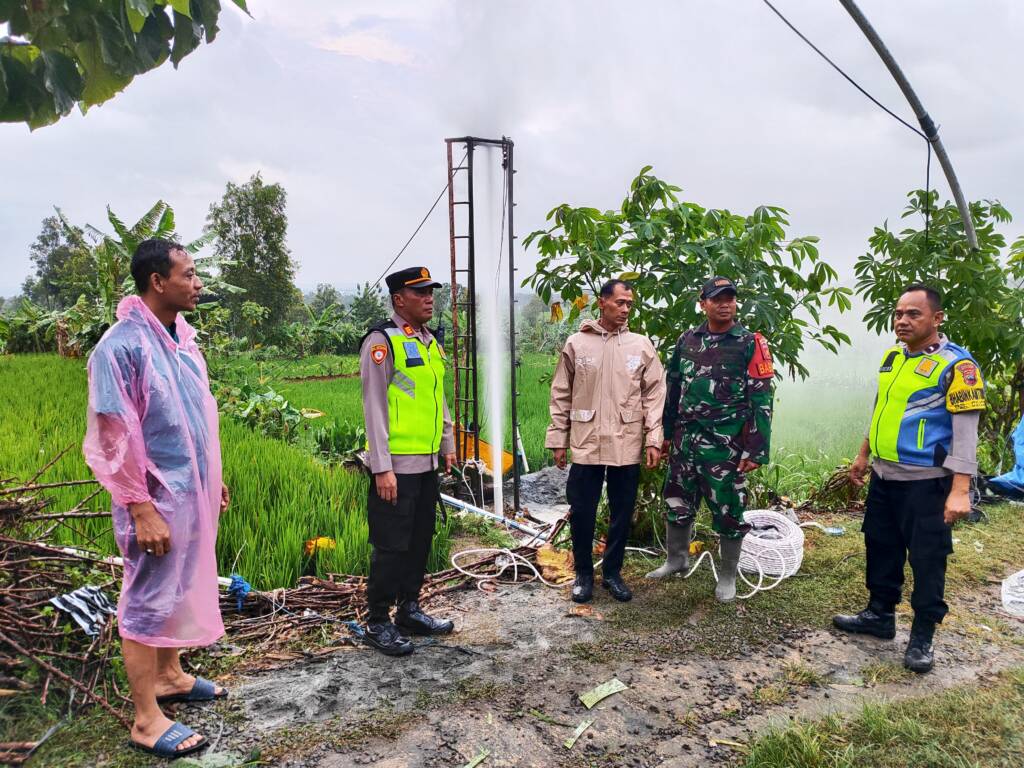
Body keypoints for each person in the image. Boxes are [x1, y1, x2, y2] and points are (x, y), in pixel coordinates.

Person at [84, 239, 229, 760]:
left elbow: (194, 418)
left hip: (190, 491)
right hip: (153, 498)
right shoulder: (120, 347)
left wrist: (214, 478)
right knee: (147, 597)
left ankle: (170, 676)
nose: (198, 284)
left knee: (179, 584)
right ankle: (146, 719)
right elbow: (113, 435)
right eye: (189, 275)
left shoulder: (181, 339)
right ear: (158, 282)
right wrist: (140, 506)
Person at [834, 284, 984, 673]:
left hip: (927, 482)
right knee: (880, 545)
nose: (902, 320)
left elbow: (966, 430)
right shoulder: (892, 358)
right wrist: (864, 453)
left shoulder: (958, 365)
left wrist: (960, 490)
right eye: (899, 313)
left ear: (937, 318)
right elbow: (882, 407)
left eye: (913, 314)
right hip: (886, 475)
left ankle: (923, 635)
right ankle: (879, 615)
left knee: (927, 557)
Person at [648, 277, 774, 602]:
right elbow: (673, 387)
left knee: (729, 511)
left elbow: (762, 399)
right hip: (685, 441)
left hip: (726, 446)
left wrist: (756, 448)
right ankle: (676, 560)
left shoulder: (750, 343)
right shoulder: (687, 340)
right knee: (676, 501)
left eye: (730, 298)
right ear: (702, 302)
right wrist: (664, 434)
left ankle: (729, 575)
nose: (725, 304)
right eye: (717, 298)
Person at [546, 280, 666, 604]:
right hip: (586, 442)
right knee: (582, 510)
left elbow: (654, 394)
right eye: (620, 302)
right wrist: (558, 438)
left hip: (626, 443)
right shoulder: (577, 344)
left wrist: (654, 438)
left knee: (621, 511)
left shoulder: (641, 346)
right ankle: (584, 574)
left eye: (630, 304)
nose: (626, 309)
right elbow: (561, 393)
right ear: (602, 302)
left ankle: (612, 572)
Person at [359, 266, 457, 656]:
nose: (430, 298)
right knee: (391, 545)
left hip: (427, 463)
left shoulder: (429, 342)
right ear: (399, 299)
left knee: (418, 541)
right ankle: (378, 621)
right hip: (396, 467)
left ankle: (409, 610)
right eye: (420, 292)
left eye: (431, 291)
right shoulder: (382, 342)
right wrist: (381, 466)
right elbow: (375, 406)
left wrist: (447, 442)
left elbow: (435, 395)